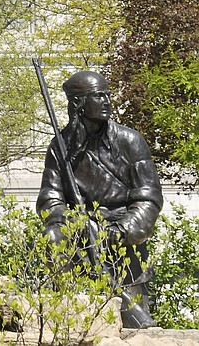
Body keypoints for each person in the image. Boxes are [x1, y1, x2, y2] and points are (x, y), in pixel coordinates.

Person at [37, 70, 163, 329]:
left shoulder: (130, 142)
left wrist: (118, 231)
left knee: (134, 329)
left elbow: (148, 200)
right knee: (52, 237)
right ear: (77, 103)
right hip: (80, 232)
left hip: (122, 235)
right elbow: (49, 199)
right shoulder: (59, 146)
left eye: (108, 94)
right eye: (98, 96)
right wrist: (74, 222)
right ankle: (68, 309)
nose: (107, 101)